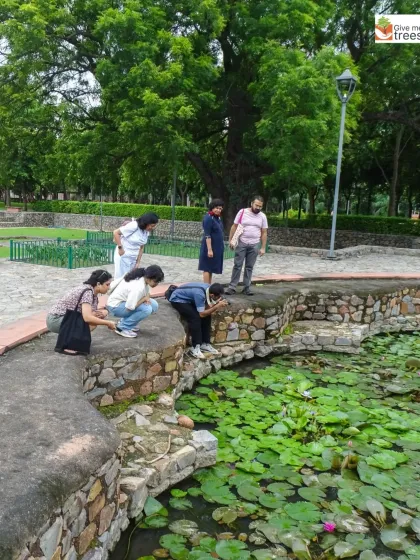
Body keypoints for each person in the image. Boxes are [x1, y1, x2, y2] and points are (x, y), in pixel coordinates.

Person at [46, 270, 116, 353]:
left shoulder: (91, 291)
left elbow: (91, 312)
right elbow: (87, 318)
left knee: (95, 318)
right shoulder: (87, 292)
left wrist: (104, 312)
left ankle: (73, 341)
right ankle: (69, 345)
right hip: (55, 320)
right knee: (91, 322)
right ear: (98, 284)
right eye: (107, 284)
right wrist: (108, 323)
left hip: (67, 317)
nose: (109, 287)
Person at [169, 282, 229, 359]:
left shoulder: (209, 289)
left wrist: (216, 303)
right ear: (212, 295)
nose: (219, 298)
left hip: (190, 299)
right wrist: (217, 305)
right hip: (178, 299)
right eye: (218, 297)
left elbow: (207, 310)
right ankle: (195, 347)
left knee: (208, 315)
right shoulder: (199, 294)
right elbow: (202, 314)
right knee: (195, 317)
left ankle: (205, 343)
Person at [225, 196, 268, 296]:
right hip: (241, 243)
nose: (258, 208)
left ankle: (246, 287)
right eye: (256, 205)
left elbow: (264, 232)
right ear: (252, 203)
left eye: (260, 206)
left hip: (254, 244)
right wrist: (231, 240)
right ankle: (232, 287)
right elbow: (234, 226)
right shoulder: (242, 212)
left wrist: (263, 247)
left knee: (249, 267)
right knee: (237, 265)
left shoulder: (262, 216)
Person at [107, 265, 164, 338]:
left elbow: (147, 294)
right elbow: (130, 307)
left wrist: (146, 298)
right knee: (146, 309)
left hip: (124, 303)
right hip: (115, 306)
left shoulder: (143, 277)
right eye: (155, 281)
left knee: (154, 305)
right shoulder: (138, 287)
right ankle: (122, 327)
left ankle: (131, 323)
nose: (157, 284)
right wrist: (144, 299)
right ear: (149, 278)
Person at [113, 212, 159, 278]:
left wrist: (138, 262)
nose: (152, 228)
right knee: (120, 279)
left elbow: (141, 247)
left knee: (130, 279)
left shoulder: (146, 232)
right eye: (152, 226)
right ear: (146, 223)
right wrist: (120, 248)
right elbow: (115, 232)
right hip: (123, 255)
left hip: (133, 257)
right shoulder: (134, 225)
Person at [198, 199, 225, 284]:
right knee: (206, 268)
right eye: (216, 208)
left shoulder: (217, 218)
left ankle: (209, 286)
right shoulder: (208, 218)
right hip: (209, 247)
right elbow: (207, 235)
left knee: (211, 268)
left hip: (216, 246)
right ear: (212, 207)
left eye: (220, 208)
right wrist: (209, 249)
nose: (218, 210)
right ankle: (206, 287)